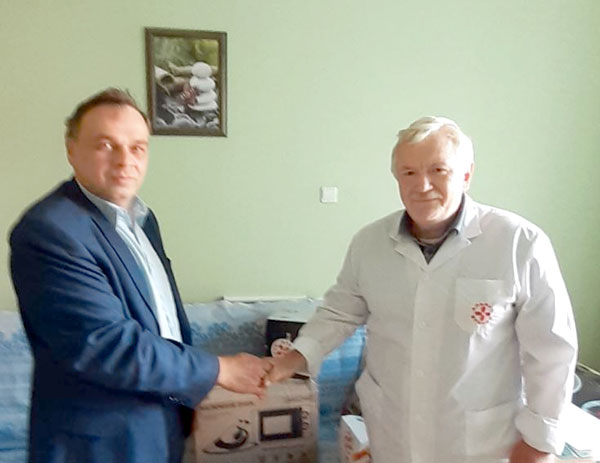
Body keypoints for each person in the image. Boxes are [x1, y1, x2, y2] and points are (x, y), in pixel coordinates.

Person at [268, 116, 578, 463]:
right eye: (409, 172)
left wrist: (539, 442)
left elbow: (551, 349)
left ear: (466, 175)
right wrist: (296, 357)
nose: (422, 185)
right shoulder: (369, 243)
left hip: (483, 443)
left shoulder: (520, 242)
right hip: (393, 435)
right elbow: (340, 312)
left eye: (438, 170)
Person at [9, 88, 271, 463]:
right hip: (97, 446)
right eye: (106, 145)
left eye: (138, 148)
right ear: (71, 150)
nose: (125, 160)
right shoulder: (51, 231)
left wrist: (189, 398)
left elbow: (164, 323)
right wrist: (219, 369)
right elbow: (106, 345)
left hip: (159, 426)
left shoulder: (143, 221)